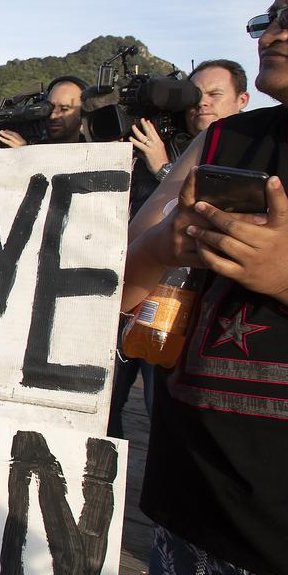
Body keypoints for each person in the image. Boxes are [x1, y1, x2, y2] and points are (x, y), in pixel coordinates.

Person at [125, 0, 288, 575]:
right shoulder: (226, 141)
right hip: (194, 527)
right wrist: (161, 244)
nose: (273, 30)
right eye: (269, 15)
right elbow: (123, 280)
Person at [108, 59, 251, 438]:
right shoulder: (160, 138)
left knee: (165, 411)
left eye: (214, 95)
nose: (201, 104)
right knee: (106, 403)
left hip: (186, 310)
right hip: (129, 296)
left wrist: (164, 167)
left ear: (242, 100)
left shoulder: (245, 150)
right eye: (194, 95)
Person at [0, 75, 86, 147]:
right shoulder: (32, 143)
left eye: (64, 109)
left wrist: (25, 156)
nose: (53, 116)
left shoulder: (94, 152)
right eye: (50, 107)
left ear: (82, 113)